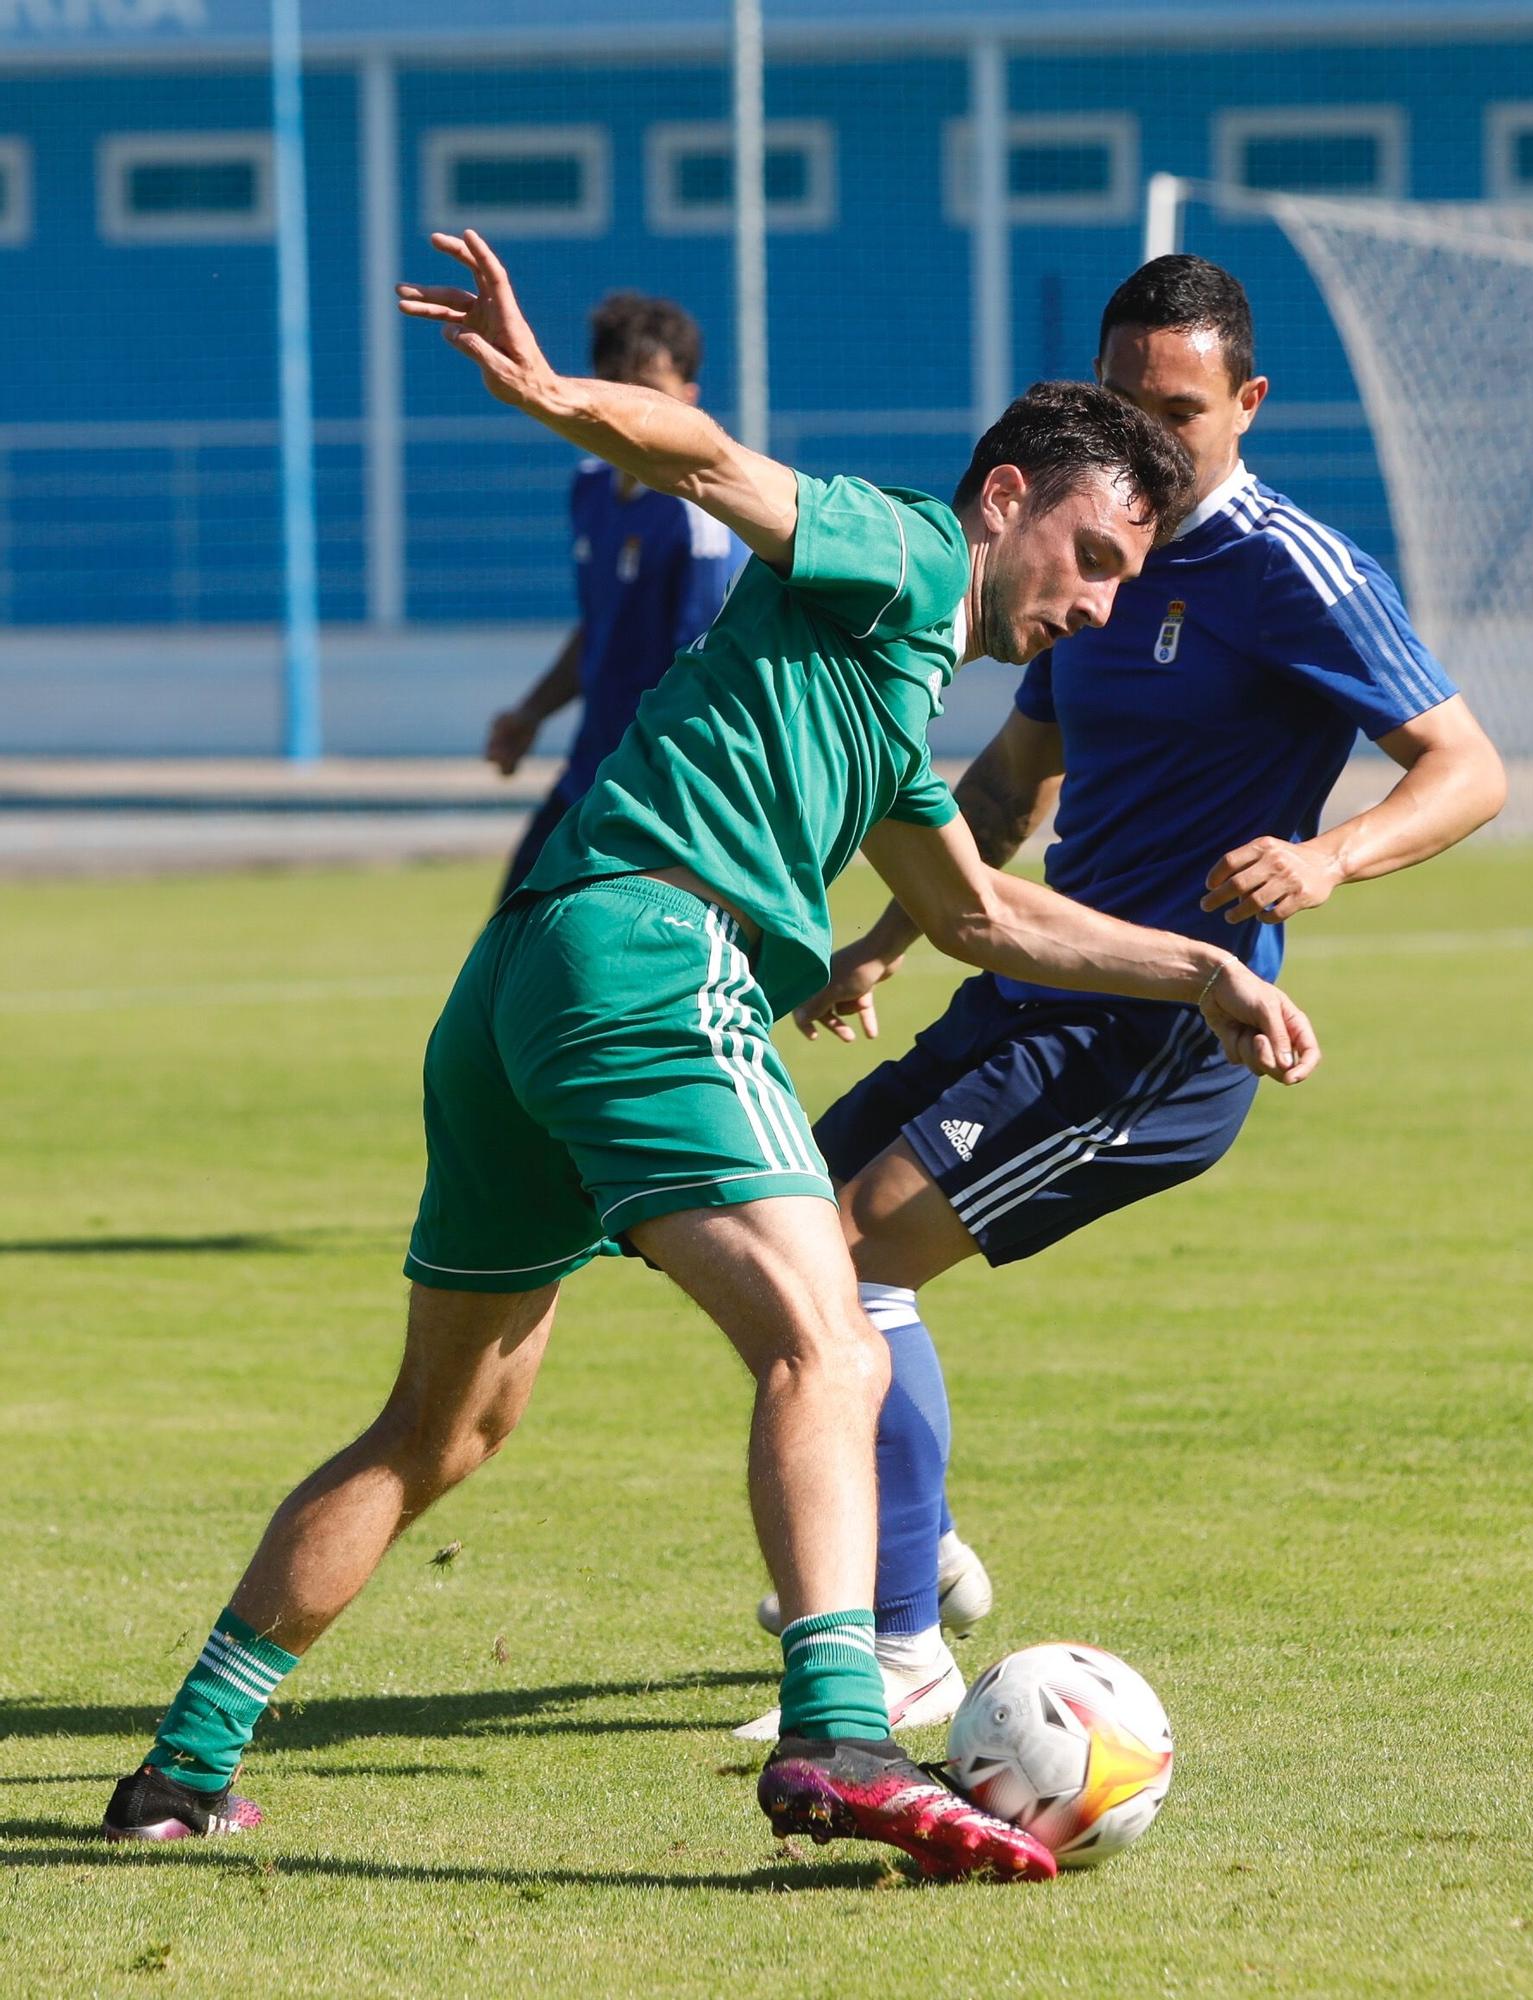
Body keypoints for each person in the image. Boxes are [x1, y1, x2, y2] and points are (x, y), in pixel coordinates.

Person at [99, 232, 1320, 1881]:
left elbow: (980, 918)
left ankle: (185, 1762)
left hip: (524, 987)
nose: (1100, 605)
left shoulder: (888, 695)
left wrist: (1198, 972)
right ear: (1010, 498)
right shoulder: (896, 550)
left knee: (443, 1427)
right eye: (1095, 558)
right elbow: (718, 462)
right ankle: (835, 1732)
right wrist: (553, 397)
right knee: (833, 1334)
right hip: (647, 962)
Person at [741, 253, 1505, 1743]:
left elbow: (1467, 766)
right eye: (1123, 403)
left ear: (1249, 402)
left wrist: (1331, 856)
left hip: (1160, 1030)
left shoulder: (1296, 568)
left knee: (848, 1246)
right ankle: (915, 1529)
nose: (1151, 436)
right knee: (783, 1228)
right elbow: (1015, 782)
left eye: (1182, 409)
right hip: (1038, 976)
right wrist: (892, 936)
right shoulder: (1102, 547)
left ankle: (898, 1645)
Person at [484, 291, 744, 900]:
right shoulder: (590, 488)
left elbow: (706, 678)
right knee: (507, 947)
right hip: (587, 777)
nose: (634, 412)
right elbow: (603, 626)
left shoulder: (697, 518)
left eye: (651, 392)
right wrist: (530, 715)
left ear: (689, 400)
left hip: (661, 803)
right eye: (618, 390)